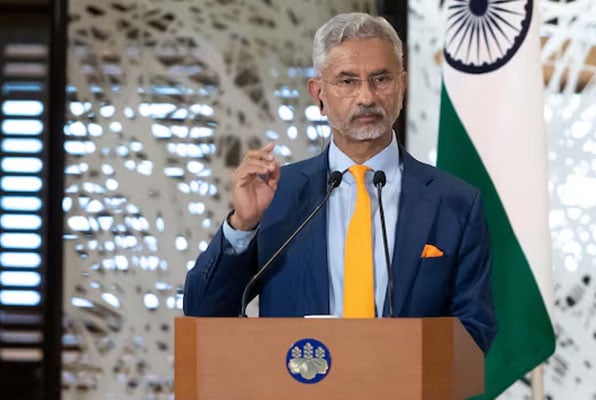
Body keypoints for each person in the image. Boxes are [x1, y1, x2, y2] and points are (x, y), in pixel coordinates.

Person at [183, 12, 497, 353]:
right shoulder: (278, 194)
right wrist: (243, 225)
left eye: (380, 79)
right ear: (318, 94)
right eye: (347, 81)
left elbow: (474, 331)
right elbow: (204, 311)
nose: (366, 97)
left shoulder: (456, 203)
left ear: (402, 87)